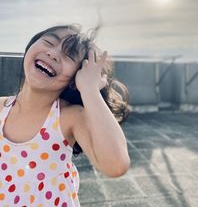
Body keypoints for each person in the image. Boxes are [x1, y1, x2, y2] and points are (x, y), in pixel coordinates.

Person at [0, 25, 130, 206]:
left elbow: (116, 164)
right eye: (48, 42)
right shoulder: (1, 107)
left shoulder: (69, 117)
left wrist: (89, 89)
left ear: (75, 78)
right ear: (30, 47)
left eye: (69, 56)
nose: (53, 54)